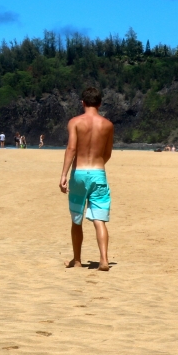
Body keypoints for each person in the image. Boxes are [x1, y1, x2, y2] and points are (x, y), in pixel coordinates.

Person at [60, 86, 114, 271]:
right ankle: (104, 260)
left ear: (82, 103)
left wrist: (64, 174)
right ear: (99, 103)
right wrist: (97, 165)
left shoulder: (75, 122)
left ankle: (77, 261)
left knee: (77, 218)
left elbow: (72, 149)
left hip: (79, 174)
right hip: (98, 173)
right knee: (100, 220)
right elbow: (107, 154)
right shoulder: (108, 125)